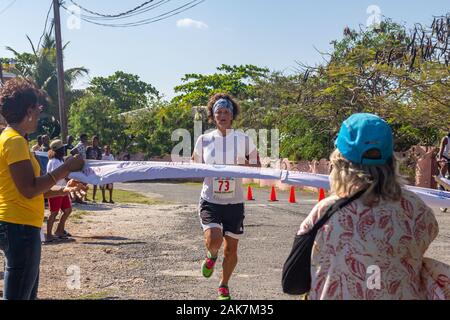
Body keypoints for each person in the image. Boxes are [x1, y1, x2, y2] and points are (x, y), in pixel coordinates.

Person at [296, 113, 439, 300]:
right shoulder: (416, 208)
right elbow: (425, 238)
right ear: (391, 160)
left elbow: (293, 280)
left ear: (340, 161)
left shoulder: (325, 211)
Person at [0, 78, 86, 300]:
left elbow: (29, 188)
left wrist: (62, 190)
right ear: (29, 110)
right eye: (39, 108)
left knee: (26, 293)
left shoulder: (12, 139)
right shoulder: (15, 142)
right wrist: (66, 166)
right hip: (20, 226)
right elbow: (29, 189)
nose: (40, 113)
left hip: (17, 225)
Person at [192, 93, 260, 300]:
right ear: (212, 116)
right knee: (214, 240)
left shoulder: (244, 139)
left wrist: (237, 168)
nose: (222, 115)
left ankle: (223, 285)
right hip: (211, 200)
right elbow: (194, 167)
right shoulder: (204, 140)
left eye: (226, 112)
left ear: (232, 115)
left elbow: (257, 166)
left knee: (231, 250)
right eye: (218, 112)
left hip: (235, 202)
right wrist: (208, 169)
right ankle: (211, 256)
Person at [46, 140, 74, 242]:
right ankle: (48, 235)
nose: (64, 150)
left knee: (67, 210)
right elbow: (57, 176)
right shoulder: (54, 161)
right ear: (57, 150)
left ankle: (59, 230)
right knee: (54, 212)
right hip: (55, 190)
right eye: (62, 148)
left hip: (62, 189)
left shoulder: (60, 160)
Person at [86, 135, 102, 202]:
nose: (94, 142)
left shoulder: (99, 149)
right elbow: (86, 156)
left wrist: (96, 159)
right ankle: (84, 196)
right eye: (93, 140)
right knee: (85, 181)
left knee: (95, 182)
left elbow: (100, 157)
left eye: (96, 141)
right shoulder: (88, 148)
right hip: (88, 166)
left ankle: (93, 197)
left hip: (95, 167)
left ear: (98, 142)